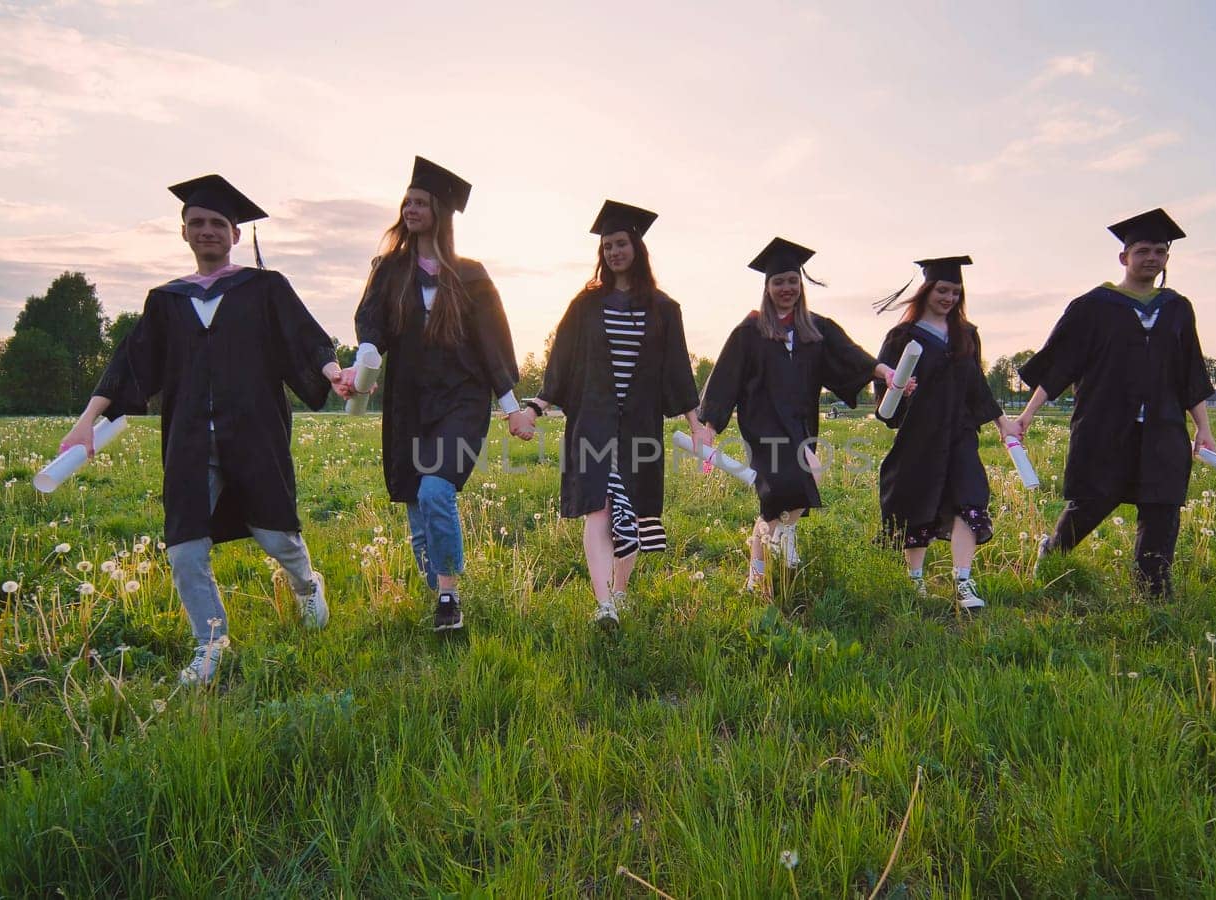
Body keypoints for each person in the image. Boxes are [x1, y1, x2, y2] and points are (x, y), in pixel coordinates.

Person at [61, 174, 348, 685]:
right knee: (184, 546)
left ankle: (306, 587)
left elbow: (306, 339)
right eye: (197, 222)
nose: (207, 230)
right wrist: (86, 421)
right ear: (184, 232)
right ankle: (210, 641)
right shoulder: (166, 301)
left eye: (218, 223)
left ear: (235, 234)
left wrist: (333, 373)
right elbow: (129, 363)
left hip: (255, 435)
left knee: (277, 536)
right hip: (191, 442)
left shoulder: (264, 288)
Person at [347, 157, 533, 632]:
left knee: (435, 490)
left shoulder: (470, 275)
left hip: (461, 401)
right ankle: (439, 581)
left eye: (421, 202)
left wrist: (511, 409)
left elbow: (493, 343)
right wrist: (362, 362)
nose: (410, 208)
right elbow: (371, 325)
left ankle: (449, 597)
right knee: (416, 506)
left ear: (440, 212)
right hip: (408, 400)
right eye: (406, 201)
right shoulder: (389, 270)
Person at [520, 201, 706, 626]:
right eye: (606, 246)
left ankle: (620, 593)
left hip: (640, 425)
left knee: (634, 510)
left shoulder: (664, 308)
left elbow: (678, 369)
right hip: (592, 421)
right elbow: (561, 360)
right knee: (598, 507)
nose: (613, 252)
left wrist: (696, 425)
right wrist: (537, 405)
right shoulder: (586, 305)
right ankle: (604, 604)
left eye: (620, 243)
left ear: (636, 247)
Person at [1015, 208, 1216, 599]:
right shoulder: (1094, 306)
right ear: (1124, 257)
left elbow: (1190, 370)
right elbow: (1060, 365)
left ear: (1167, 259)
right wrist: (1027, 415)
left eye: (1160, 251)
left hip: (1162, 425)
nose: (1152, 258)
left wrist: (1203, 428)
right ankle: (1053, 555)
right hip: (1105, 423)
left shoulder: (1177, 308)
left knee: (1162, 504)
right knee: (1092, 498)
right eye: (1143, 250)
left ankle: (1152, 587)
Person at [697, 238, 894, 594]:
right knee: (797, 482)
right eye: (778, 282)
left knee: (780, 503)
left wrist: (884, 372)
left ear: (800, 286)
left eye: (792, 281)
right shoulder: (750, 331)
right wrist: (709, 426)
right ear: (767, 287)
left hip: (801, 424)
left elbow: (853, 356)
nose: (786, 289)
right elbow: (725, 378)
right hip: (763, 425)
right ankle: (778, 564)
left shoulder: (816, 329)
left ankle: (757, 574)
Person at [872, 256, 1018, 611]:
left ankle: (963, 581)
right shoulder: (901, 337)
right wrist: (900, 391)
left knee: (970, 499)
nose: (949, 297)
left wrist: (1003, 423)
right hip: (919, 434)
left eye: (955, 291)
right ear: (926, 291)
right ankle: (915, 582)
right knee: (915, 501)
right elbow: (884, 396)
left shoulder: (966, 335)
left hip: (960, 433)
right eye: (942, 290)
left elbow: (978, 386)